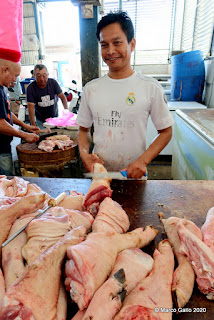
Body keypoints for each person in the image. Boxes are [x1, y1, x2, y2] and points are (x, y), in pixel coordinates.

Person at [76, 11, 174, 179]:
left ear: (132, 44)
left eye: (117, 42)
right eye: (104, 45)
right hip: (100, 176)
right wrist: (85, 155)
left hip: (134, 177)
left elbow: (166, 131)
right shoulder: (91, 89)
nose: (110, 51)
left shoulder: (149, 87)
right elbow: (83, 130)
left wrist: (143, 161)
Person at [0, 59, 39, 176]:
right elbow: (1, 124)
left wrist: (25, 126)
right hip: (0, 150)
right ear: (4, 70)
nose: (15, 80)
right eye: (15, 75)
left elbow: (6, 112)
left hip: (5, 146)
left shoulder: (2, 89)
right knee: (6, 181)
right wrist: (24, 135)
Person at [27, 64, 68, 129]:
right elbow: (30, 108)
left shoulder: (53, 83)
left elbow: (62, 97)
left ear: (48, 75)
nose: (42, 79)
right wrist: (33, 125)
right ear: (34, 75)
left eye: (44, 75)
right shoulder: (30, 88)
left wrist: (66, 112)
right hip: (40, 121)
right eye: (38, 76)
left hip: (54, 118)